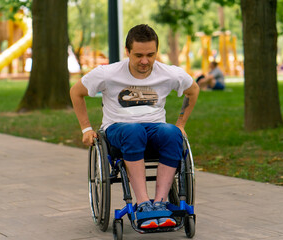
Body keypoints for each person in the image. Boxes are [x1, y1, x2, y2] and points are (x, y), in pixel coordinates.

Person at [70, 24, 199, 229]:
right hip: (119, 129)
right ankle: (143, 203)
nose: (145, 61)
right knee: (134, 131)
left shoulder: (170, 73)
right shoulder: (107, 73)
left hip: (155, 128)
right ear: (127, 51)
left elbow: (193, 90)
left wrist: (181, 123)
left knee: (172, 133)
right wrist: (86, 129)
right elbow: (76, 92)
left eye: (151, 54)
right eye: (138, 55)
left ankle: (160, 202)